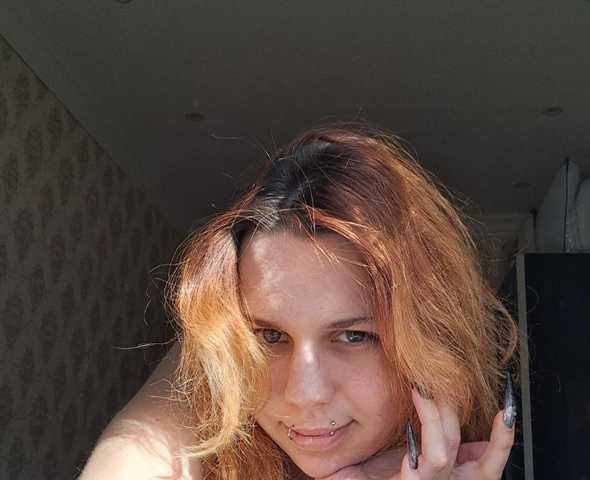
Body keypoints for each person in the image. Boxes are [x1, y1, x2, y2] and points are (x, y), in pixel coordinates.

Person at [79, 122, 518, 480]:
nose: (304, 395)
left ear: (430, 342)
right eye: (270, 336)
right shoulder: (207, 420)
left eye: (353, 336)